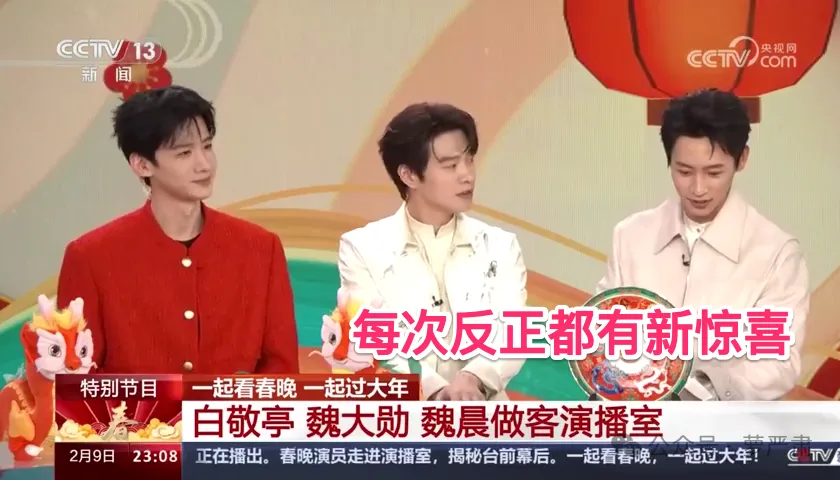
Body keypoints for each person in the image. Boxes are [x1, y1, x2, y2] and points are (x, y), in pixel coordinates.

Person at [56, 86, 300, 374]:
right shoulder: (91, 257)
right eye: (185, 153)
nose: (204, 165)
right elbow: (76, 381)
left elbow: (281, 372)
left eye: (207, 147)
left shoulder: (260, 248)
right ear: (142, 164)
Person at [597, 89, 809, 401]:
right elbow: (602, 329)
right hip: (637, 417)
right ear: (669, 161)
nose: (698, 189)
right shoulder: (630, 236)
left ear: (742, 159)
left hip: (725, 425)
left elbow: (778, 362)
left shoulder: (777, 253)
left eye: (714, 173)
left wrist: (700, 390)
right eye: (684, 171)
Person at [338, 103, 527, 400]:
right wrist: (433, 390)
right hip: (403, 416)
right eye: (451, 166)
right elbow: (372, 338)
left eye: (469, 160)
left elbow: (513, 331)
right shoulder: (361, 248)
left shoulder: (500, 246)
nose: (467, 175)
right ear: (409, 175)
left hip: (486, 416)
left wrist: (473, 379)